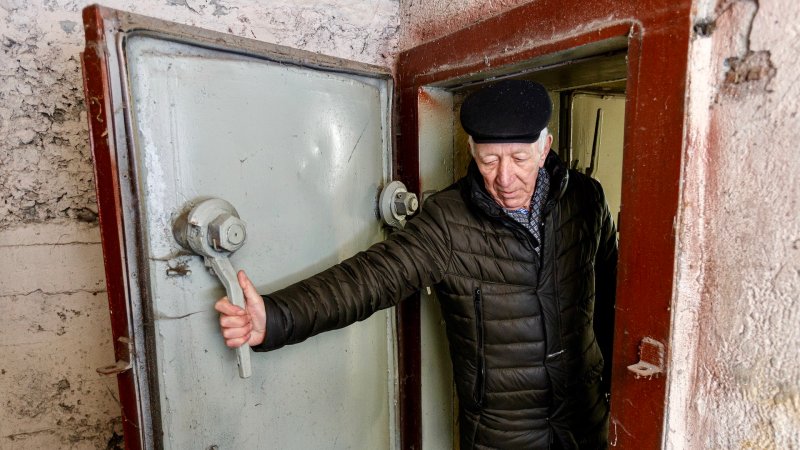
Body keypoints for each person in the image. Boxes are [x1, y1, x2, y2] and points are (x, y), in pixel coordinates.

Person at [215, 79, 618, 449]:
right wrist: (277, 317)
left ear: (544, 148)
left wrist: (618, 384)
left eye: (519, 158)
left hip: (586, 421)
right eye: (489, 160)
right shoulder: (449, 220)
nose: (505, 178)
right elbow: (372, 277)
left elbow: (615, 293)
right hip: (501, 433)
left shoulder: (586, 199)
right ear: (472, 151)